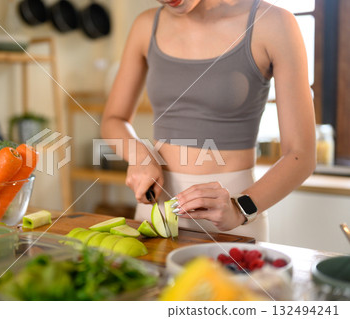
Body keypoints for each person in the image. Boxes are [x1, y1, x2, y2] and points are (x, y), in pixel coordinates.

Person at [100, 0, 316, 242]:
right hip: (155, 214)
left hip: (233, 220)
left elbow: (301, 155)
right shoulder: (146, 25)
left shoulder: (273, 23)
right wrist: (139, 155)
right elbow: (113, 119)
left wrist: (239, 208)